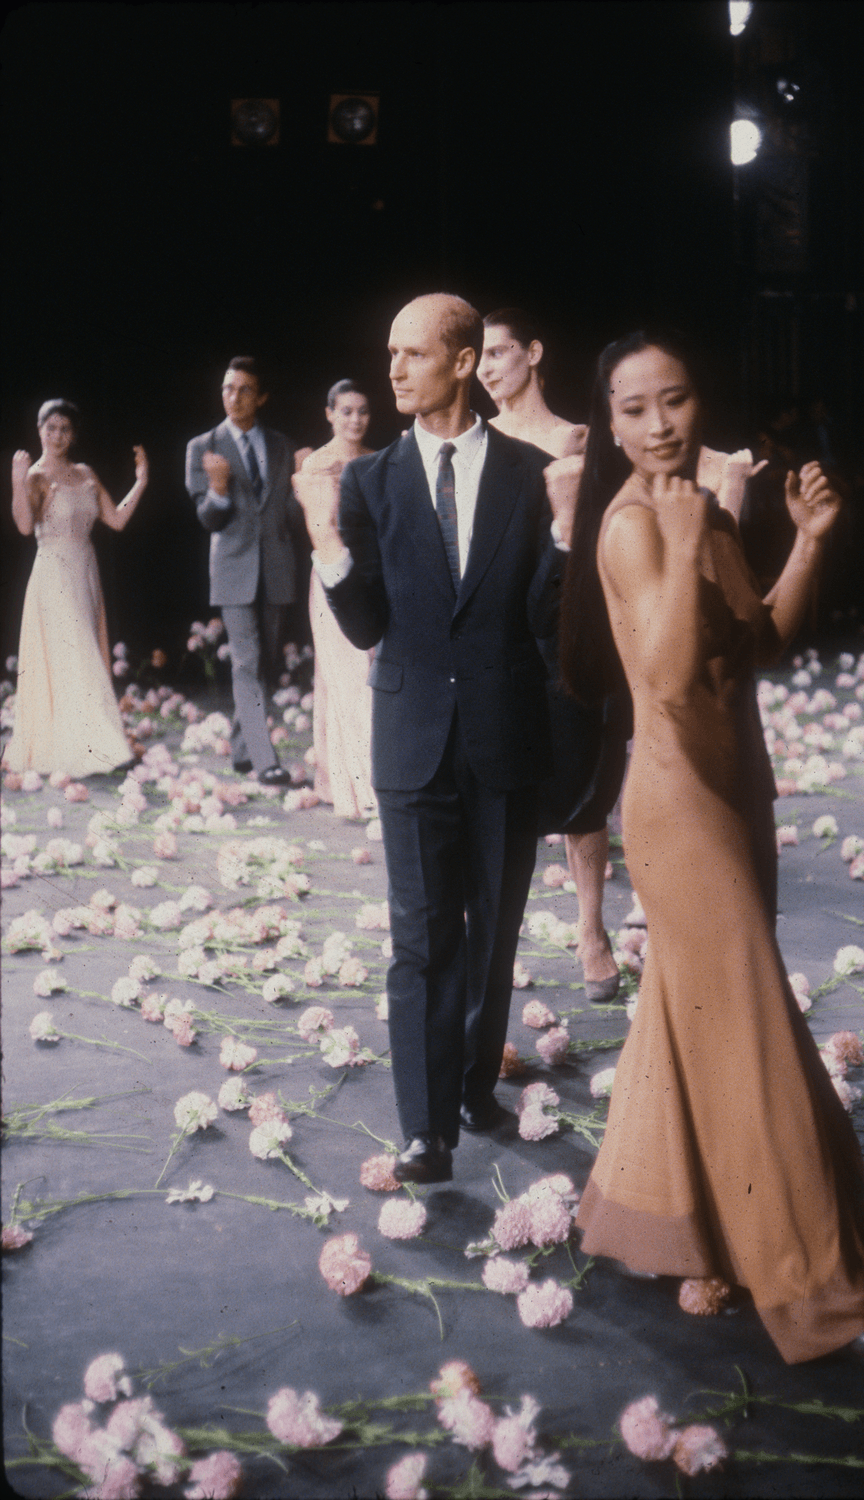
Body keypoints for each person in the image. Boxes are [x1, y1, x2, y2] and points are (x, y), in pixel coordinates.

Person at [555, 331, 864, 1364]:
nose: (660, 424)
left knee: (688, 1021)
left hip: (737, 793)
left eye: (674, 401)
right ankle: (820, 1287)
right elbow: (662, 683)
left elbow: (756, 644)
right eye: (634, 409)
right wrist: (672, 550)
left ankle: (688, 1242)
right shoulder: (632, 527)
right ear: (608, 425)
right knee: (753, 1042)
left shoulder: (700, 511)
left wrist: (804, 540)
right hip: (679, 814)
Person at [301, 293, 562, 1184]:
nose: (394, 370)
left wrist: (565, 544)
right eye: (389, 354)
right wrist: (329, 550)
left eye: (412, 354)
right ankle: (424, 1131)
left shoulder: (529, 474)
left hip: (503, 736)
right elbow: (369, 622)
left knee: (491, 931)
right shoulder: (368, 481)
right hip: (410, 737)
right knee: (420, 938)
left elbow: (540, 617)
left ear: (462, 362)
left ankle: (472, 1088)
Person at [478, 308, 623, 1001]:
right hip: (498, 633)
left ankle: (590, 931)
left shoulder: (574, 437)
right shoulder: (472, 441)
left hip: (562, 632)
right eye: (478, 355)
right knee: (502, 795)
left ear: (532, 353)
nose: (485, 367)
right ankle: (497, 945)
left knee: (581, 791)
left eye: (499, 351)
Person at [4, 400, 147, 776]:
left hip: (85, 570)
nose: (57, 436)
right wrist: (17, 482)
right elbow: (22, 526)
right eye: (51, 428)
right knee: (76, 653)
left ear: (74, 435)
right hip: (53, 575)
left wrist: (141, 482)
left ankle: (92, 742)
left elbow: (115, 519)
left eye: (65, 429)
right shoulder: (34, 476)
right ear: (39, 430)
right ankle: (97, 747)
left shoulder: (84, 472)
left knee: (83, 654)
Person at [185, 357, 299, 786]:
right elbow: (208, 519)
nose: (233, 397)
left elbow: (289, 515)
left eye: (244, 389)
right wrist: (217, 489)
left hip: (277, 568)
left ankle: (240, 749)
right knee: (248, 662)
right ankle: (265, 758)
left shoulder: (283, 446)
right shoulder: (204, 447)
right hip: (232, 571)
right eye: (227, 388)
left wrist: (303, 483)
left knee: (263, 664)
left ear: (261, 397)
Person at [293, 380, 376, 819]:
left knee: (368, 673)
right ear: (329, 414)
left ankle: (364, 773)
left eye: (362, 411)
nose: (356, 420)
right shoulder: (318, 464)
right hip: (332, 576)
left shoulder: (376, 460)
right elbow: (318, 526)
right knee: (344, 673)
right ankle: (358, 784)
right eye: (346, 411)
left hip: (371, 575)